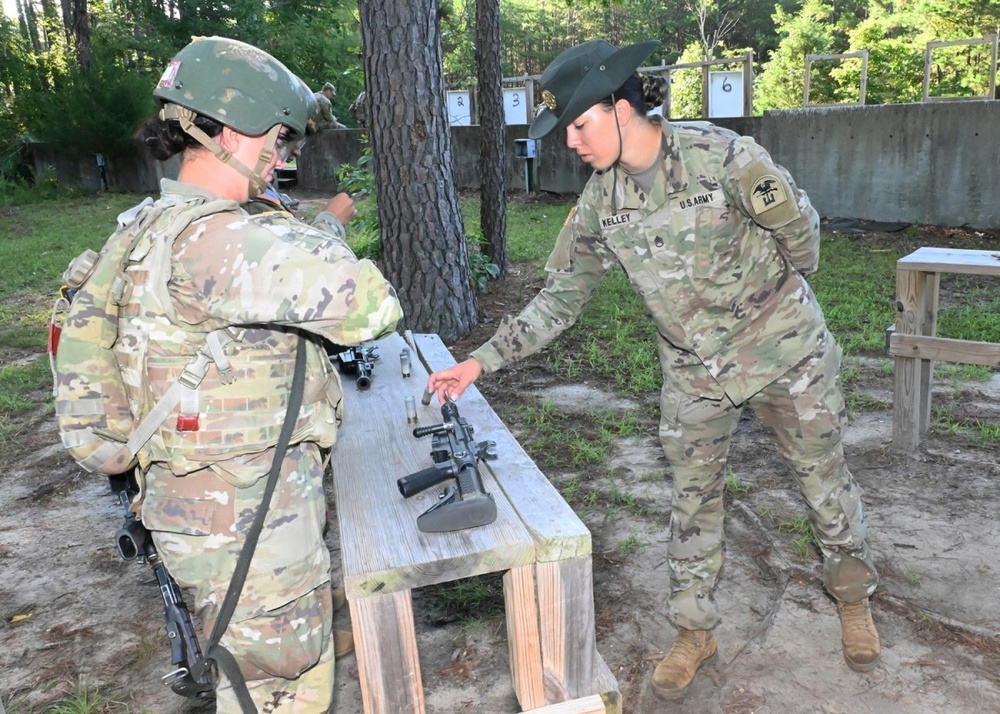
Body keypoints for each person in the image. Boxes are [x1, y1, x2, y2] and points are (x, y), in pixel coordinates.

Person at [426, 39, 880, 700]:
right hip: (695, 370)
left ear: (619, 107)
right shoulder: (599, 204)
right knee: (692, 500)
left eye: (579, 126)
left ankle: (852, 594)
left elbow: (802, 236)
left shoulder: (723, 157)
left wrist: (766, 305)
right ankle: (695, 629)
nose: (573, 144)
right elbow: (560, 296)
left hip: (784, 353)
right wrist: (479, 361)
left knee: (823, 481)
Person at [131, 36, 402, 711]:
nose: (281, 159)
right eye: (280, 141)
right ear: (237, 130)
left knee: (249, 680)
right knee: (284, 690)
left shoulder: (151, 220)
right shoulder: (221, 238)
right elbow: (371, 303)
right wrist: (321, 229)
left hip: (205, 505)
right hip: (245, 523)